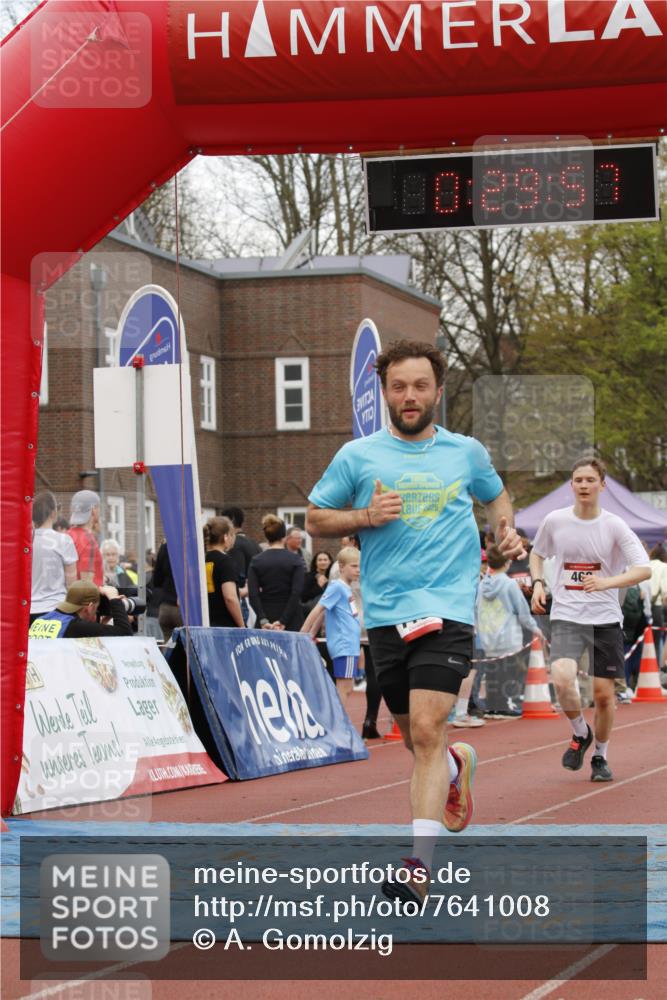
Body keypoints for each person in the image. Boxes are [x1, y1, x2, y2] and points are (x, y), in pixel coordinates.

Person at [306, 339, 523, 904]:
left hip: (447, 608)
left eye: (419, 386)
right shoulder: (358, 456)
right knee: (415, 739)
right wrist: (363, 515)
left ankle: (417, 868)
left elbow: (498, 498)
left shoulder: (465, 452)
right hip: (384, 615)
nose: (409, 396)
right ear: (384, 393)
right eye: (398, 387)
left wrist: (505, 528)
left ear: (438, 392)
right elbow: (314, 518)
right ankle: (455, 768)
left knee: (426, 730)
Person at [530, 457, 651, 783]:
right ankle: (579, 732)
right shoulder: (555, 521)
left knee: (602, 695)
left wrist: (607, 583)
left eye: (589, 480)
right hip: (567, 615)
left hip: (605, 619)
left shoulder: (614, 525)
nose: (583, 485)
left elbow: (644, 568)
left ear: (602, 485)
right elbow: (537, 553)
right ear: (572, 485)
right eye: (578, 480)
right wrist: (538, 583)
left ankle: (600, 755)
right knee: (561, 676)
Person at [474, 544, 542, 721]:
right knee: (508, 673)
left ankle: (492, 706)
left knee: (492, 673)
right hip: (508, 635)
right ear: (506, 562)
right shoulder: (509, 584)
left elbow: (476, 608)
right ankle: (504, 705)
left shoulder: (482, 585)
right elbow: (521, 610)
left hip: (488, 635)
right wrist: (535, 628)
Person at [301, 547, 362, 707]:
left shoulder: (344, 587)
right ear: (341, 567)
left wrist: (312, 632)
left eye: (359, 566)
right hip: (345, 644)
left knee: (345, 688)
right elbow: (318, 609)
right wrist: (303, 634)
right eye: (354, 566)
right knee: (345, 688)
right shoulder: (338, 587)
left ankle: (337, 723)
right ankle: (339, 725)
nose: (358, 570)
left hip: (349, 644)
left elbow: (325, 610)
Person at [248, 515, 305, 631]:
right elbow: (296, 592)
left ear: (266, 536)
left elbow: (253, 594)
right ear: (284, 536)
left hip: (266, 616)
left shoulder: (256, 561)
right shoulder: (295, 560)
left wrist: (263, 620)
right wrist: (283, 621)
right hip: (291, 618)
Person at [30, 491, 78, 624]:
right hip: (56, 609)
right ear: (53, 513)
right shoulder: (64, 540)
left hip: (27, 610)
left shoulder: (24, 541)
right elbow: (71, 585)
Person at [29, 580, 133, 638]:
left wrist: (102, 625)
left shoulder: (40, 620)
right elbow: (124, 633)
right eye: (96, 608)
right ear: (90, 607)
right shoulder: (75, 626)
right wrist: (114, 599)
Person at [221, 506, 261, 624]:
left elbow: (237, 574)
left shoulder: (234, 546)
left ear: (231, 521)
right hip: (255, 600)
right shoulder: (254, 544)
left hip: (243, 602)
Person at [204, 516, 245, 628]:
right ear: (226, 537)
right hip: (224, 626)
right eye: (232, 535)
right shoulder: (225, 562)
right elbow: (230, 597)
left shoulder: (200, 560)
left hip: (203, 625)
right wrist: (242, 626)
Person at [67, 489, 103, 585]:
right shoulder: (88, 541)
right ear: (93, 510)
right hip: (87, 598)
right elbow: (86, 585)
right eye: (99, 507)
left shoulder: (66, 536)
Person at [152, 541, 182, 642]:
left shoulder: (165, 547)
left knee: (168, 647)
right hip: (183, 608)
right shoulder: (193, 547)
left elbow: (157, 580)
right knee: (187, 649)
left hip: (165, 608)